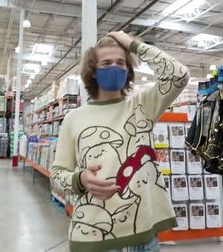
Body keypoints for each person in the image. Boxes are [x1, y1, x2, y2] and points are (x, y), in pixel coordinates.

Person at [50, 31, 190, 252]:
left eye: (120, 63)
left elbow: (179, 75)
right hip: (94, 236)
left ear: (128, 70)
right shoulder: (73, 119)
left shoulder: (142, 106)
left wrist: (132, 44)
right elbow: (57, 176)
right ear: (93, 72)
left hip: (144, 238)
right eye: (106, 63)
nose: (114, 67)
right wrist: (80, 179)